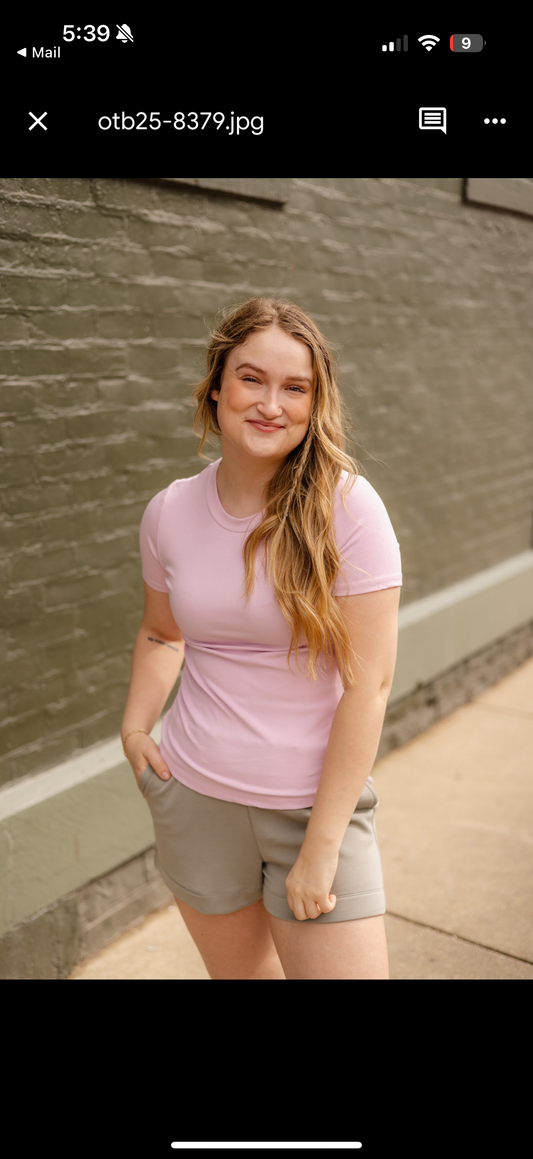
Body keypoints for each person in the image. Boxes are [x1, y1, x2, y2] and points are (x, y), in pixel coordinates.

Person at [121, 296, 402, 979]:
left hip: (310, 808)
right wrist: (133, 729)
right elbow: (162, 634)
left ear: (314, 401)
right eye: (251, 378)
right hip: (195, 796)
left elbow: (370, 685)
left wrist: (321, 844)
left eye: (294, 386)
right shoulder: (169, 511)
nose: (270, 403)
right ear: (216, 384)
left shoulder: (348, 508)